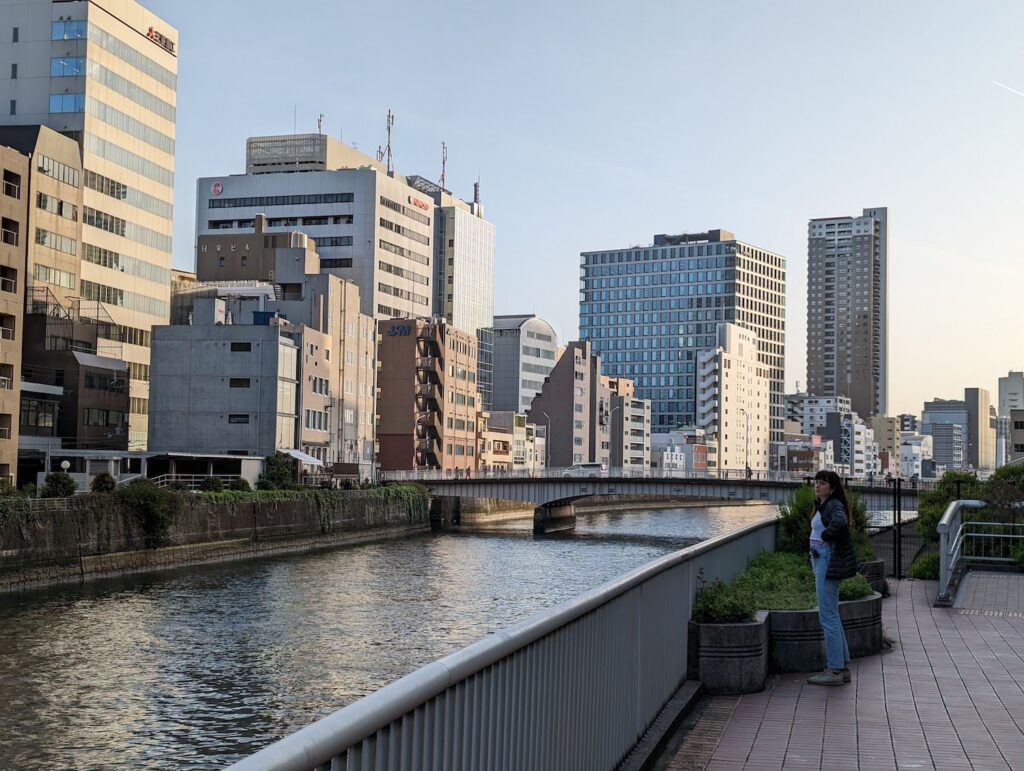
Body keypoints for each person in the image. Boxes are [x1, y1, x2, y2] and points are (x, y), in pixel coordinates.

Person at [807, 469, 859, 686]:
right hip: (821, 558)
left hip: (826, 561)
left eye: (823, 483)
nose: (818, 486)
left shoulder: (833, 505)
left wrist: (826, 537)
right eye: (816, 482)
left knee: (827, 616)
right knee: (832, 615)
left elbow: (840, 523)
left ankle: (835, 670)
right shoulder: (824, 504)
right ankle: (842, 666)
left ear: (833, 487)